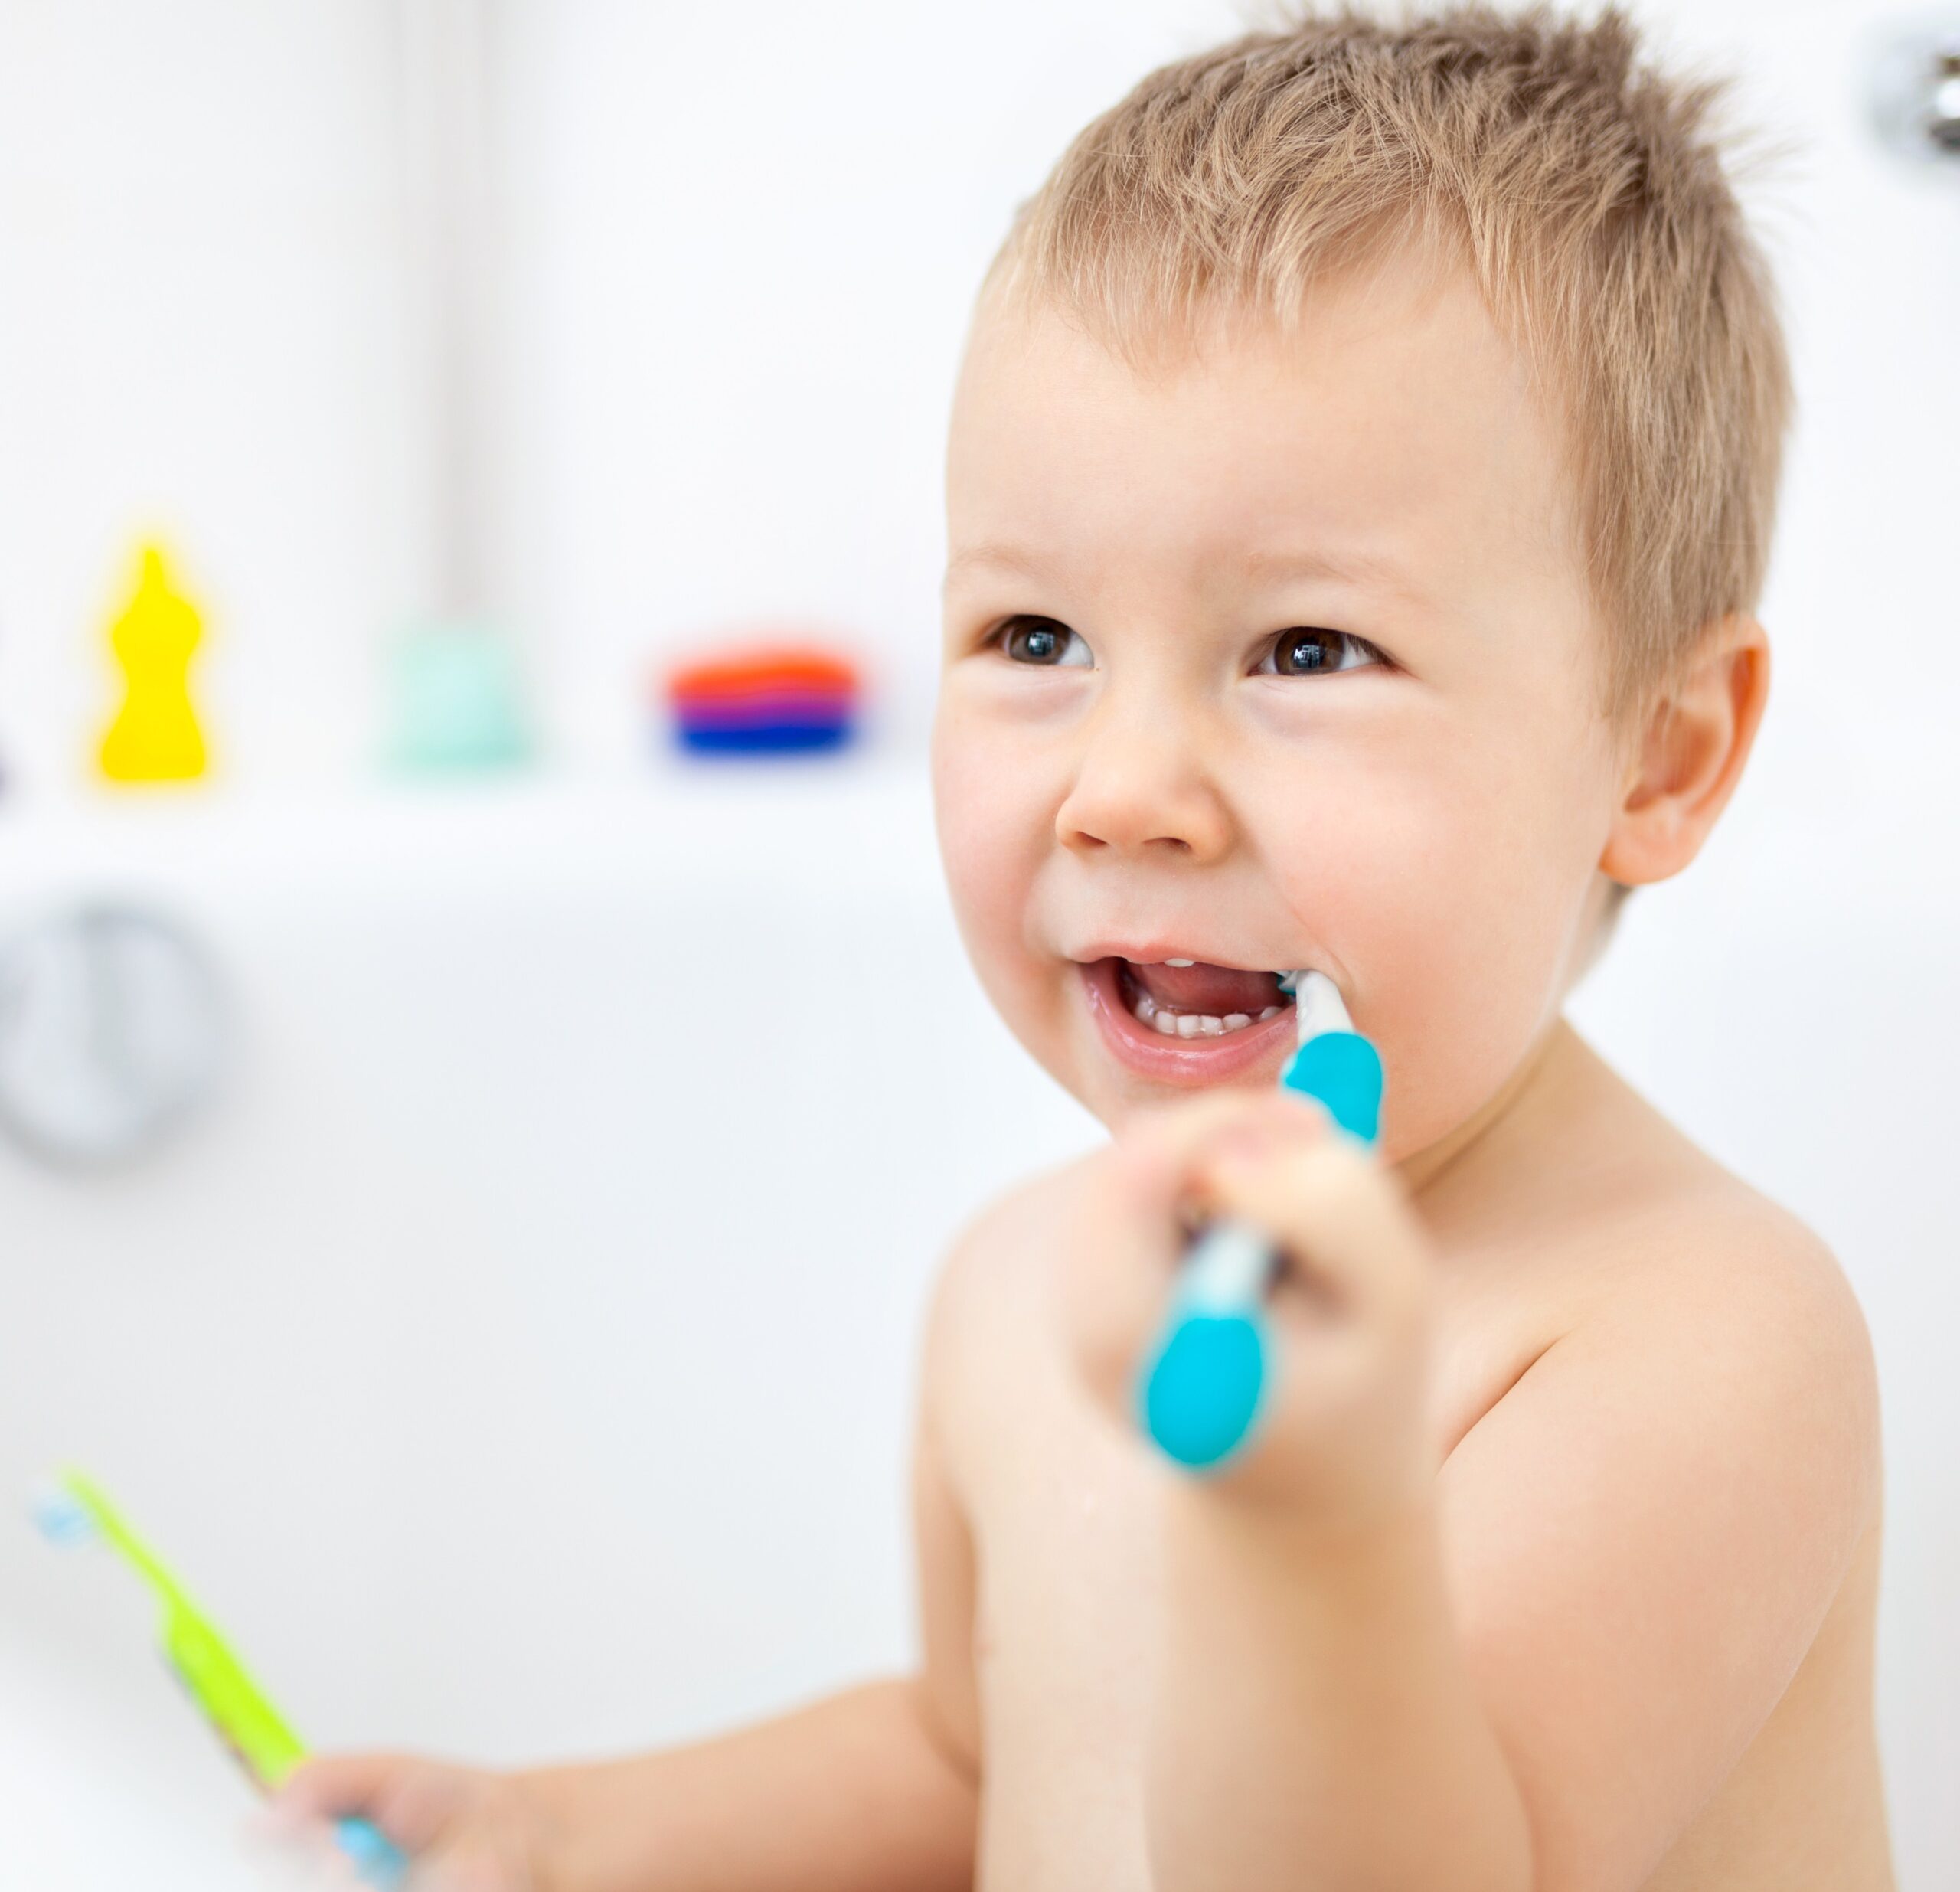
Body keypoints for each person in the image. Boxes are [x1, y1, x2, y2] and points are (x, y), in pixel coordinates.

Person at [278, 9, 1892, 1887]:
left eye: (1306, 652)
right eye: (1034, 636)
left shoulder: (1693, 1345)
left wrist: (1306, 1524)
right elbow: (982, 1763)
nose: (1123, 792)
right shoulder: (1018, 1291)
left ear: (1657, 753)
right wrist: (573, 1834)